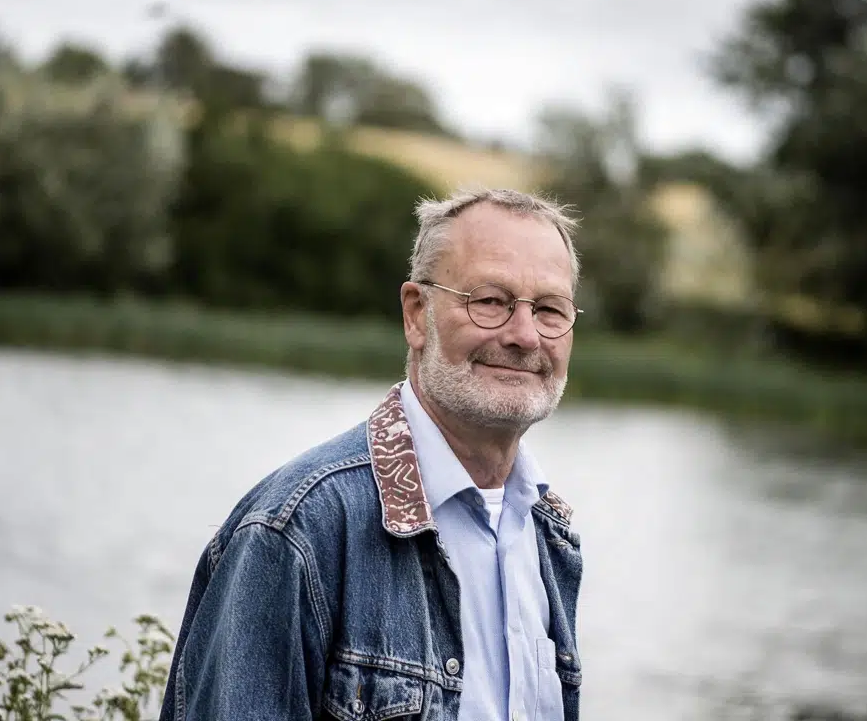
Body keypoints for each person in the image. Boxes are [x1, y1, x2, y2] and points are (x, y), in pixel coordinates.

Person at [161, 187, 584, 721]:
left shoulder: (549, 534)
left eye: (549, 309)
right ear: (416, 315)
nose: (525, 335)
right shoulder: (298, 528)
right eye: (491, 302)